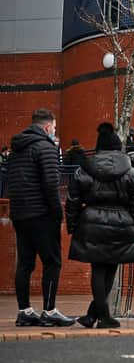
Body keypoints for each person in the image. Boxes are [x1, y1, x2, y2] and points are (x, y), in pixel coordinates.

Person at [66, 122, 134, 328]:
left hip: (91, 220)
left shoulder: (84, 170)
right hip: (122, 221)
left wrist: (72, 225)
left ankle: (95, 315)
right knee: (111, 267)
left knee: (98, 268)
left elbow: (73, 199)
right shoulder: (130, 172)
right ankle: (102, 316)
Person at [8, 108, 74, 327]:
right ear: (47, 127)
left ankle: (24, 310)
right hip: (42, 214)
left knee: (25, 264)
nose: (54, 132)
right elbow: (51, 184)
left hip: (20, 213)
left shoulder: (16, 148)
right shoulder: (45, 147)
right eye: (54, 128)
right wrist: (58, 214)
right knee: (52, 261)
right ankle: (49, 310)